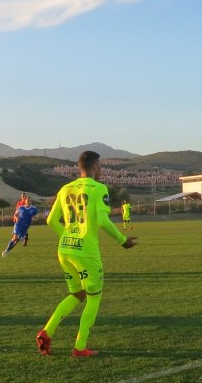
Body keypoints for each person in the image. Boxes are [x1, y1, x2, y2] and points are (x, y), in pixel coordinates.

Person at [36, 151, 137, 358]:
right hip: (86, 252)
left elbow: (50, 220)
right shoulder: (98, 188)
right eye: (100, 166)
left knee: (77, 294)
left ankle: (47, 332)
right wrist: (122, 240)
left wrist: (68, 236)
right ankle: (80, 346)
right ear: (95, 166)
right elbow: (103, 221)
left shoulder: (65, 188)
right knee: (94, 297)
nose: (101, 170)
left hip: (65, 249)